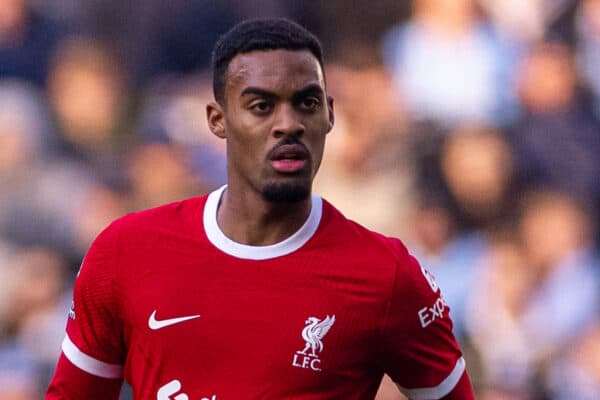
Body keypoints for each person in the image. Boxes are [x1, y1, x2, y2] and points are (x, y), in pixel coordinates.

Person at [45, 18, 475, 399]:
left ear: (328, 115)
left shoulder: (386, 274)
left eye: (306, 103)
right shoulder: (125, 252)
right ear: (217, 120)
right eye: (261, 106)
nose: (287, 124)